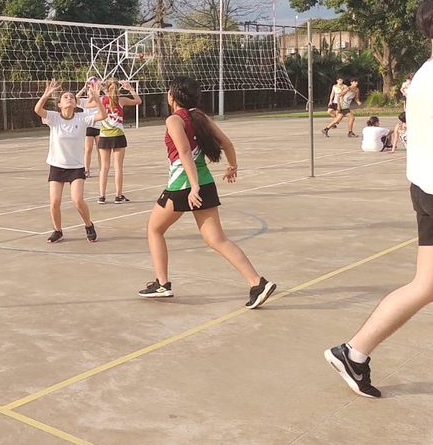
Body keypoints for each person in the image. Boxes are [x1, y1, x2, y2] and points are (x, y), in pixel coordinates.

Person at [325, 0, 433, 397]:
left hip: (427, 190)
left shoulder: (422, 74)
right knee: (430, 284)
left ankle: (353, 353)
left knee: (429, 284)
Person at [137, 76, 276, 308]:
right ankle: (257, 282)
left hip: (182, 186)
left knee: (154, 229)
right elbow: (227, 144)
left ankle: (162, 284)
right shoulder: (200, 117)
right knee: (217, 239)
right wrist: (232, 166)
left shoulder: (174, 119)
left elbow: (184, 152)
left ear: (172, 96)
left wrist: (194, 186)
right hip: (206, 183)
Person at [34, 79, 107, 243]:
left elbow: (103, 115)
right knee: (54, 202)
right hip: (57, 165)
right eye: (65, 97)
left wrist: (97, 99)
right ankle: (58, 230)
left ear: (75, 104)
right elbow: (37, 110)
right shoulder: (54, 118)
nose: (69, 98)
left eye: (72, 97)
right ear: (59, 104)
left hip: (76, 167)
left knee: (77, 200)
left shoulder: (82, 118)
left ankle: (89, 225)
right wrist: (46, 95)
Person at [96, 79, 142, 204]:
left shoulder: (101, 99)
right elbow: (138, 101)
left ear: (106, 87)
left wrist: (96, 90)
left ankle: (102, 196)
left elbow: (84, 104)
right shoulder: (121, 100)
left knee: (104, 168)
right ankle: (118, 196)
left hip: (104, 136)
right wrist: (130, 88)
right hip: (118, 136)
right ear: (118, 87)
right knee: (118, 168)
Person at [75, 76, 102, 177]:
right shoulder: (84, 102)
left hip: (99, 126)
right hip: (88, 127)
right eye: (89, 92)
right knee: (88, 149)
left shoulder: (99, 100)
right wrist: (84, 88)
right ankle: (86, 170)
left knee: (100, 149)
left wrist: (99, 88)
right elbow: (76, 98)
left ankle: (102, 169)